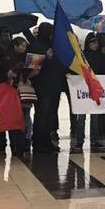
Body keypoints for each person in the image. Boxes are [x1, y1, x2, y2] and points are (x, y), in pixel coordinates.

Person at [30, 23, 65, 154]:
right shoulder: (35, 46)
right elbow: (31, 68)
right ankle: (38, 142)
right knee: (42, 115)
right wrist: (46, 58)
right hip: (42, 86)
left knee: (51, 116)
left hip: (54, 85)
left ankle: (47, 140)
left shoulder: (54, 46)